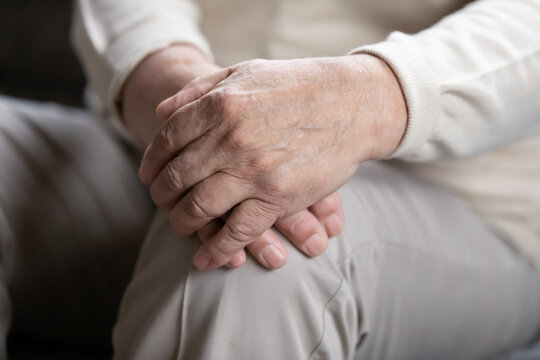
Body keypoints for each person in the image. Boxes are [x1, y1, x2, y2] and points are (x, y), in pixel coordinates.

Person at [71, 0, 540, 359]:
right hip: (154, 131)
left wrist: (366, 99)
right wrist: (184, 99)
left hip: (459, 193)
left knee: (259, 250)